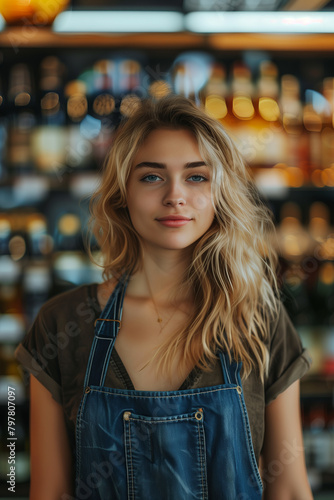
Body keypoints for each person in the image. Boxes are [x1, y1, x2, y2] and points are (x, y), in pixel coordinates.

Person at [15, 95, 313, 500]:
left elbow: (291, 490)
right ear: (123, 193)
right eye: (152, 177)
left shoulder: (258, 318)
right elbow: (49, 493)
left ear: (219, 193)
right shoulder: (62, 323)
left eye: (196, 177)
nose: (175, 196)